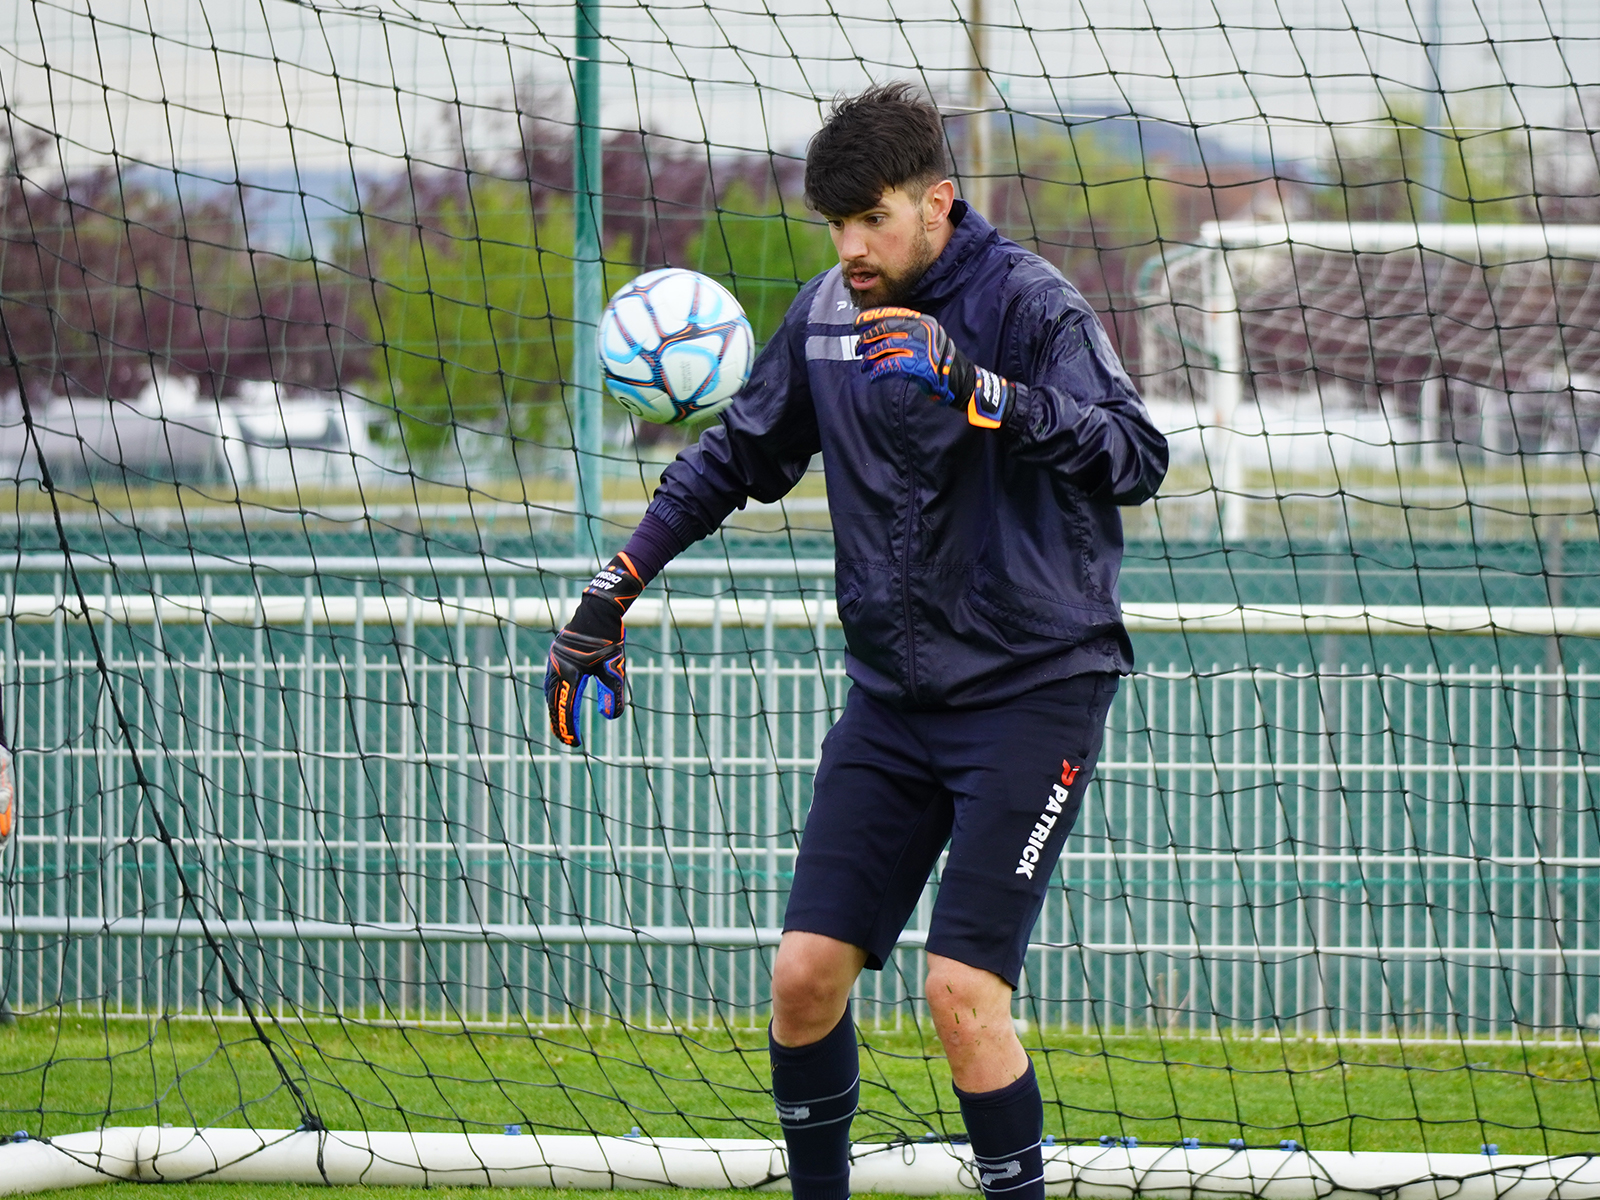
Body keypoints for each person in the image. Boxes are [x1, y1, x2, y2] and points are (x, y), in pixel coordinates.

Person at [546, 82, 1168, 1200]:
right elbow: (733, 458)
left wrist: (980, 389)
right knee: (802, 977)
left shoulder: (1030, 305)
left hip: (1033, 693)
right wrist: (614, 586)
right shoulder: (830, 314)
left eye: (870, 220)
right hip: (893, 701)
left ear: (936, 203)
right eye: (834, 226)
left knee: (959, 994)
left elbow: (1135, 456)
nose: (850, 249)